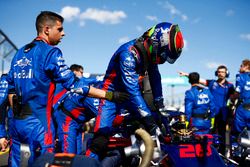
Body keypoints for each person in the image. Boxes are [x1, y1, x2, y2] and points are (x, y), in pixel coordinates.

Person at [4, 11, 128, 166]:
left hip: (17, 123)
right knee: (46, 163)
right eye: (60, 29)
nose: (63, 34)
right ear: (47, 29)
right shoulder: (50, 52)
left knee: (15, 163)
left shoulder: (20, 53)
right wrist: (109, 95)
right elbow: (74, 85)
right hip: (40, 125)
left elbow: (8, 89)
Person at [86, 22, 184, 160]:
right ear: (156, 44)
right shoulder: (128, 54)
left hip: (130, 97)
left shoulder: (150, 53)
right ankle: (90, 161)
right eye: (162, 55)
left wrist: (160, 104)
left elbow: (155, 77)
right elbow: (132, 90)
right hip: (111, 97)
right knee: (100, 142)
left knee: (153, 123)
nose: (162, 59)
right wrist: (149, 121)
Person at [179, 65, 234, 153]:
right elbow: (198, 80)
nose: (220, 73)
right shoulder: (212, 83)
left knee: (223, 136)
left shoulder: (230, 86)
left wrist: (232, 112)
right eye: (219, 72)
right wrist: (186, 74)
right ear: (216, 73)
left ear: (226, 73)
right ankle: (211, 152)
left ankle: (222, 155)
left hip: (223, 114)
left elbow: (234, 98)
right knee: (210, 136)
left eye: (222, 72)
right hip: (210, 115)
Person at [53, 64, 99, 154]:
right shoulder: (71, 80)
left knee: (78, 154)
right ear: (74, 72)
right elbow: (87, 81)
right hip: (63, 117)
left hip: (76, 121)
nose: (82, 74)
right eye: (81, 72)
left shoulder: (76, 84)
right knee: (68, 154)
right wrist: (100, 79)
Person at [231, 59, 250, 134]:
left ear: (246, 66)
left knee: (237, 132)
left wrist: (232, 99)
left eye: (241, 66)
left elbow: (237, 92)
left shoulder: (241, 76)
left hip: (243, 108)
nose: (239, 67)